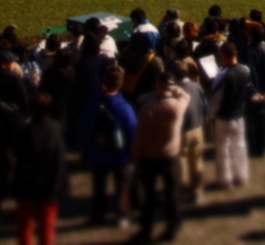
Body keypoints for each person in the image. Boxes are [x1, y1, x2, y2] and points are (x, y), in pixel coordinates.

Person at [131, 71, 190, 243]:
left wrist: (135, 159)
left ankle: (146, 230)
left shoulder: (147, 109)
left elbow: (139, 138)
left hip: (149, 157)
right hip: (170, 156)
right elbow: (185, 95)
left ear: (158, 86)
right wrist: (174, 88)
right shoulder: (178, 106)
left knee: (149, 198)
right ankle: (172, 228)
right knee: (172, 196)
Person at [80, 64, 137, 226]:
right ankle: (122, 214)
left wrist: (86, 148)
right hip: (121, 156)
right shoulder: (125, 107)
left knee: (99, 186)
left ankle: (98, 214)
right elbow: (133, 131)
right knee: (122, 187)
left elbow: (84, 128)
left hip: (98, 154)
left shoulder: (93, 103)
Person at [13, 92, 68, 245]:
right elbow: (60, 159)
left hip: (26, 184)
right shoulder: (55, 129)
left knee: (25, 226)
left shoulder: (23, 130)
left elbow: (15, 152)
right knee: (47, 225)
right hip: (50, 186)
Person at [210, 41, 252, 189]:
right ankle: (242, 176)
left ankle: (224, 179)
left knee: (223, 149)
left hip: (223, 116)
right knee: (240, 146)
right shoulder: (245, 70)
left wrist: (210, 115)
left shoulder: (222, 75)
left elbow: (215, 99)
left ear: (223, 56)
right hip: (239, 115)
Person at [173, 60, 207, 204]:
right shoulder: (197, 86)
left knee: (181, 162)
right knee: (197, 161)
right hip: (197, 127)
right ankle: (197, 192)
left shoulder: (174, 90)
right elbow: (204, 105)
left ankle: (181, 192)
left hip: (181, 130)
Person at [245, 22, 265, 157]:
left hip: (254, 92)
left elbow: (249, 74)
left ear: (251, 36)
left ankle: (252, 146)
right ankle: (261, 147)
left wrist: (254, 92)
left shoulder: (250, 52)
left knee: (251, 120)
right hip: (264, 92)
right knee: (262, 120)